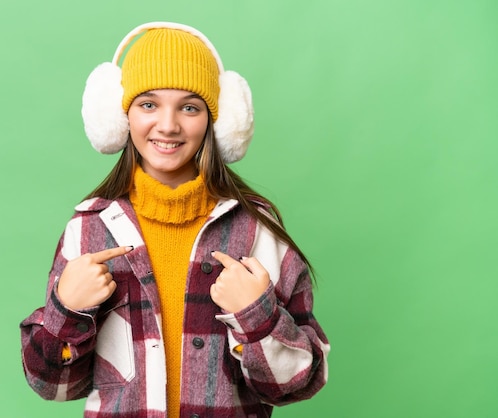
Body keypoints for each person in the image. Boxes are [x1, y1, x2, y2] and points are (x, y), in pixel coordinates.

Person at [20, 21, 330, 417]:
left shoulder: (257, 230)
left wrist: (256, 317)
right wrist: (67, 310)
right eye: (149, 104)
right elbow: (52, 386)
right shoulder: (88, 229)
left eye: (189, 107)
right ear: (121, 116)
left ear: (218, 120)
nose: (168, 125)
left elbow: (301, 384)